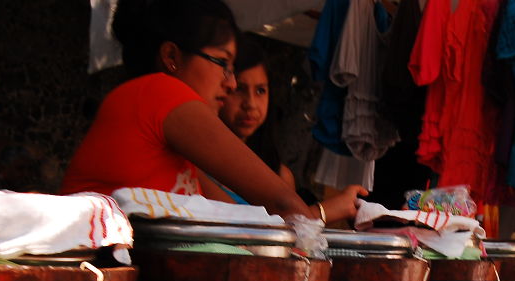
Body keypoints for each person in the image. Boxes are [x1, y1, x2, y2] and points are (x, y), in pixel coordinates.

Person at [60, 0, 363, 224]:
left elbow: (247, 222)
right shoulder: (159, 92)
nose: (230, 83)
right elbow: (281, 202)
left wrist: (320, 213)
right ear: (171, 56)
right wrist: (325, 215)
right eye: (222, 63)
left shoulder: (169, 136)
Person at [216, 39, 295, 203]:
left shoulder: (280, 175)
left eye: (260, 90)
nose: (250, 104)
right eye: (239, 89)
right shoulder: (197, 165)